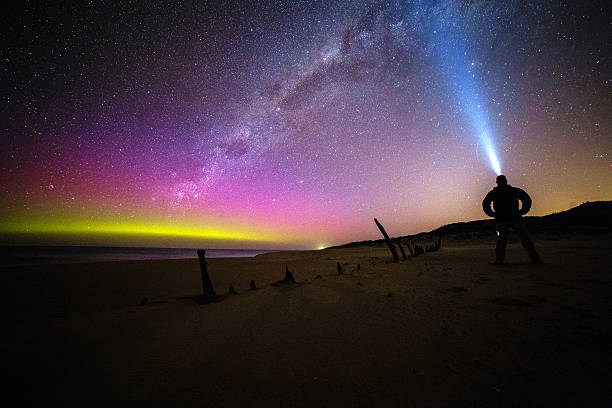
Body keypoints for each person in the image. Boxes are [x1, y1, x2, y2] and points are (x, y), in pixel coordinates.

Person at [482, 175, 541, 265]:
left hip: (504, 220)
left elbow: (485, 204)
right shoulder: (513, 190)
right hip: (514, 218)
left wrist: (492, 214)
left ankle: (499, 261)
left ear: (497, 182)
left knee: (502, 240)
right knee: (524, 238)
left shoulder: (495, 192)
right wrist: (523, 211)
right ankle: (535, 258)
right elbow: (526, 199)